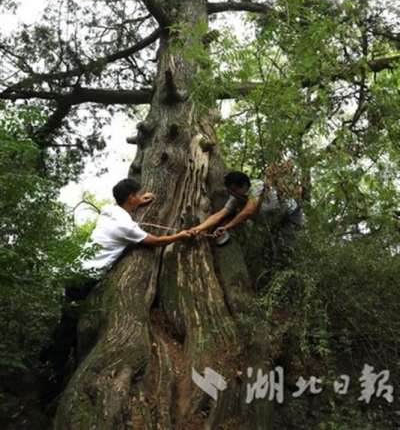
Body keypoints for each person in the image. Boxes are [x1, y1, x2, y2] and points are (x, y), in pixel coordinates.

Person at [44, 178, 191, 405]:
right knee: (68, 330)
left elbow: (120, 205)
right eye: (137, 194)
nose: (141, 195)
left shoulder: (108, 211)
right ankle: (50, 385)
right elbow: (157, 241)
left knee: (67, 321)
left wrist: (139, 202)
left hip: (75, 272)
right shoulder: (125, 226)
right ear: (130, 196)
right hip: (83, 278)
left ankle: (45, 354)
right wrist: (179, 236)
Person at [190, 171, 303, 247]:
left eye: (234, 190)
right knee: (269, 251)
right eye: (231, 192)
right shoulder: (235, 198)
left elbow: (248, 211)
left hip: (290, 216)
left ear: (244, 186)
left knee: (288, 248)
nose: (233, 194)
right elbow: (220, 214)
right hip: (274, 223)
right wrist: (198, 228)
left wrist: (226, 227)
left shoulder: (256, 186)